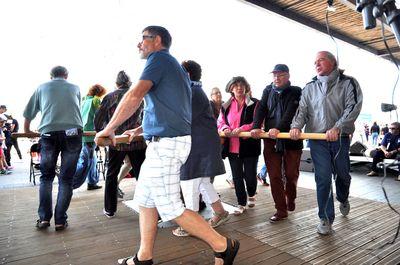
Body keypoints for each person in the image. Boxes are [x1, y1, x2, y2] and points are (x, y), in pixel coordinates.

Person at [95, 26, 239, 265]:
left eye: (143, 39)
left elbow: (134, 94)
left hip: (167, 146)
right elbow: (171, 110)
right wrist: (141, 129)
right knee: (145, 201)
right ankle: (144, 257)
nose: (139, 44)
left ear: (157, 40)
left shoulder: (159, 59)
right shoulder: (174, 68)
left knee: (171, 207)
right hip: (162, 143)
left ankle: (223, 245)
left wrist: (108, 129)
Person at [290, 51, 363, 235]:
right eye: (314, 62)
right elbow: (302, 111)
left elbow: (352, 107)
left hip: (340, 138)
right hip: (317, 139)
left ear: (333, 62)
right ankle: (325, 217)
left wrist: (338, 127)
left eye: (320, 60)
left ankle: (343, 198)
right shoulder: (309, 87)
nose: (316, 64)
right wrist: (296, 127)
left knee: (342, 174)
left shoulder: (348, 83)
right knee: (322, 177)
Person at [171, 60, 229, 237]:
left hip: (197, 147)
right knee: (203, 183)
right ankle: (220, 213)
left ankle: (191, 224)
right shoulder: (195, 91)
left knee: (189, 183)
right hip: (203, 145)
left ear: (187, 75)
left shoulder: (191, 92)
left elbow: (179, 119)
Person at [23, 66, 83, 231]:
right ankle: (60, 220)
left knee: (46, 177)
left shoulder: (42, 87)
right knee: (66, 179)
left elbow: (28, 113)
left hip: (48, 133)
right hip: (73, 133)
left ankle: (44, 219)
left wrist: (27, 131)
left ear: (51, 76)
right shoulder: (75, 88)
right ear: (66, 75)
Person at [251, 64, 303, 223]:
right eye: (274, 75)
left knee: (290, 174)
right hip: (270, 139)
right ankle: (281, 209)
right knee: (274, 175)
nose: (276, 78)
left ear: (288, 76)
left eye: (280, 75)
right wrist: (255, 127)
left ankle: (291, 198)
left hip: (291, 137)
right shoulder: (268, 90)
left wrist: (278, 128)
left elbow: (291, 113)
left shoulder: (296, 91)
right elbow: (261, 110)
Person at [94, 71, 147, 218]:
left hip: (115, 141)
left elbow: (98, 120)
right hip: (136, 141)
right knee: (142, 176)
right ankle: (148, 209)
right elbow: (145, 119)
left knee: (111, 175)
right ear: (130, 83)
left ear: (116, 83)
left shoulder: (110, 97)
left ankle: (110, 209)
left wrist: (102, 134)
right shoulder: (139, 98)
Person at [217, 76, 261, 216]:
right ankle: (241, 203)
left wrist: (242, 128)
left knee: (249, 175)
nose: (239, 88)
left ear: (246, 87)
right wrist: (225, 128)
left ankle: (252, 193)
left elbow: (257, 122)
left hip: (249, 146)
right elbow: (220, 121)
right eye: (235, 85)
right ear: (231, 88)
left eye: (242, 85)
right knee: (237, 177)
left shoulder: (255, 103)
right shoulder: (226, 105)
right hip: (232, 146)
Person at [73, 84, 107, 190]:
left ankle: (92, 182)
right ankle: (69, 180)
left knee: (92, 160)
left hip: (83, 133)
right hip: (90, 134)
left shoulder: (84, 100)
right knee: (86, 161)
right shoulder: (96, 100)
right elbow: (102, 116)